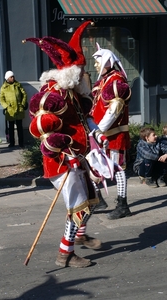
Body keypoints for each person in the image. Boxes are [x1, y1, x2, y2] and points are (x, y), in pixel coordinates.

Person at [23, 21, 130, 268]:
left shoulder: (74, 94)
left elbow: (86, 119)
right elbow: (43, 133)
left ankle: (79, 236)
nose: (86, 75)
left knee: (90, 200)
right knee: (78, 205)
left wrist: (98, 134)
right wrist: (66, 152)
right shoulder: (52, 95)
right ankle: (65, 254)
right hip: (61, 162)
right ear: (72, 73)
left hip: (78, 158)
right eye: (82, 71)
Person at [88, 44, 132, 218]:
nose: (96, 65)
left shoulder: (116, 81)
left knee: (119, 168)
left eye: (99, 62)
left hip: (114, 134)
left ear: (107, 62)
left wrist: (98, 130)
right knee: (95, 165)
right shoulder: (104, 81)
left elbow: (114, 110)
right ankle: (98, 199)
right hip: (101, 133)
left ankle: (123, 205)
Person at [0, 71, 27, 148]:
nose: (13, 78)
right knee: (10, 128)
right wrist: (6, 106)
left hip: (19, 109)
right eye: (11, 77)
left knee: (19, 127)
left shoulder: (18, 85)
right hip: (10, 110)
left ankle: (21, 143)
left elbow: (24, 94)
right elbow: (1, 98)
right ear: (7, 78)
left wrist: (22, 103)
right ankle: (12, 143)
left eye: (13, 76)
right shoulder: (4, 87)